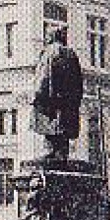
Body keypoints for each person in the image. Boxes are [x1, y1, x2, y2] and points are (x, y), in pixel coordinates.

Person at [30, 27, 84, 159]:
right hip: (68, 103)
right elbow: (79, 81)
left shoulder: (49, 52)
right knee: (63, 131)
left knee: (51, 127)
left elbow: (44, 77)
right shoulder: (72, 53)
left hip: (51, 102)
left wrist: (37, 95)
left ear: (51, 37)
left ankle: (52, 151)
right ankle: (62, 153)